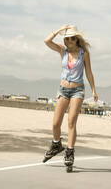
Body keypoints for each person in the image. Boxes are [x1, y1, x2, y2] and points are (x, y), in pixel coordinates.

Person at [42, 24, 98, 172]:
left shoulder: (83, 53)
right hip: (63, 90)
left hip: (77, 91)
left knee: (71, 122)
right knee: (55, 124)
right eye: (66, 39)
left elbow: (89, 73)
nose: (68, 41)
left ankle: (70, 152)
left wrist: (93, 90)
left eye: (71, 38)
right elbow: (46, 41)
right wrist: (59, 29)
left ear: (77, 39)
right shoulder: (62, 50)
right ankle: (56, 144)